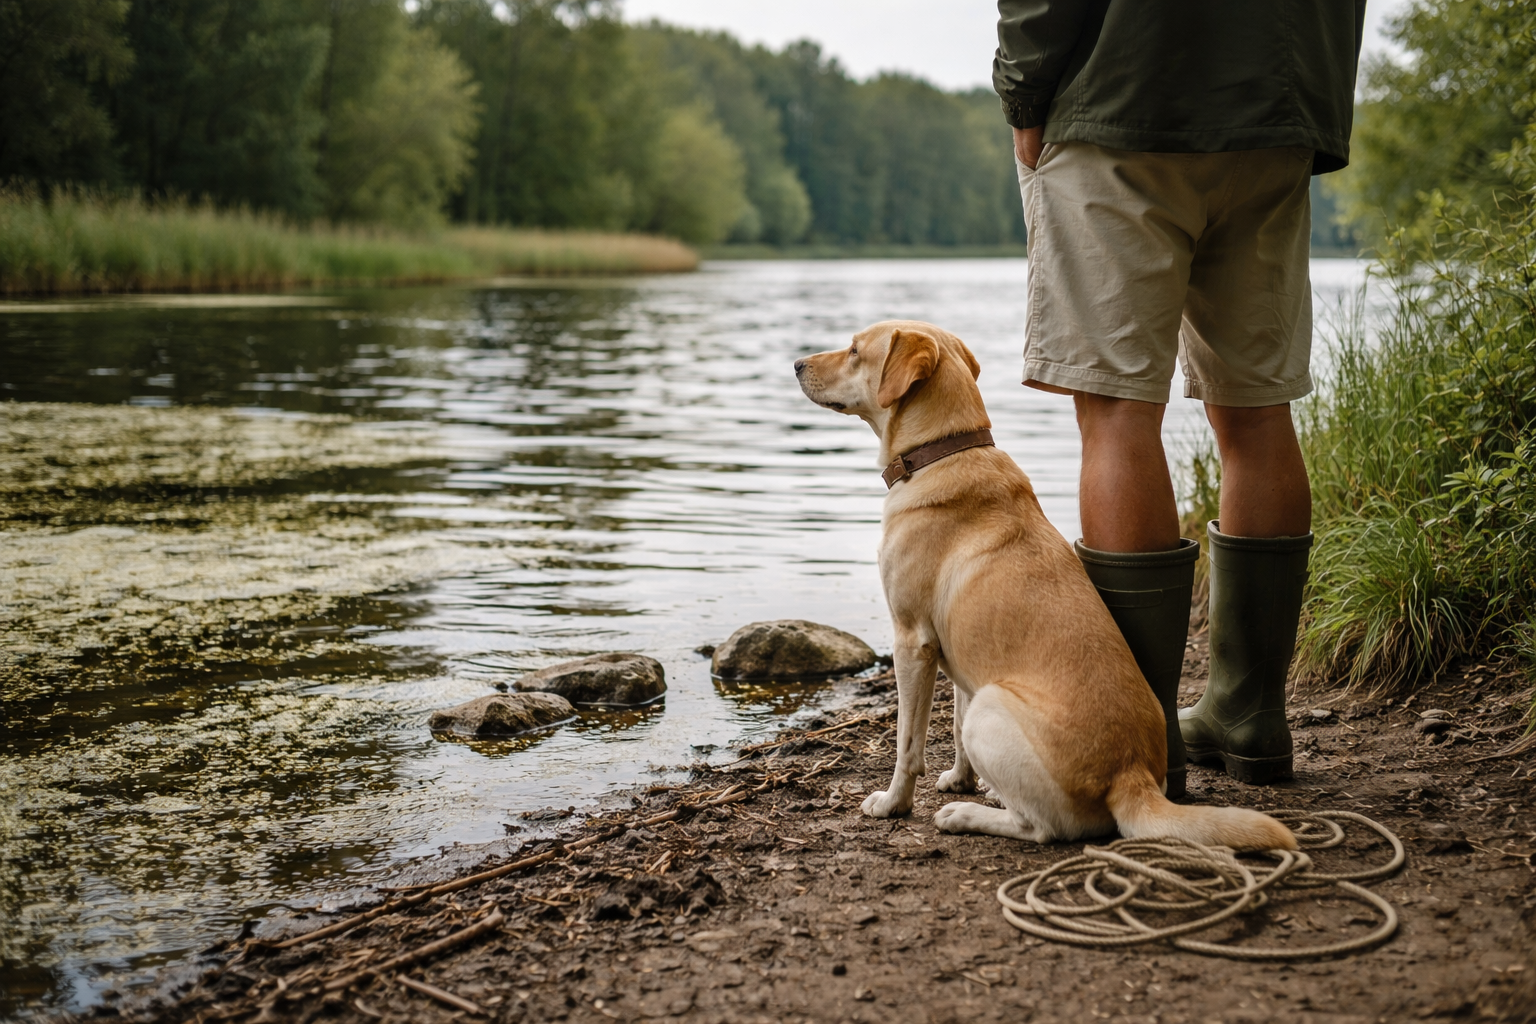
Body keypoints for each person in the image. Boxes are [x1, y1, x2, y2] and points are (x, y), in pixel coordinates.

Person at [993, 0, 1368, 797]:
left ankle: (1143, 741)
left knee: (1118, 412)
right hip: (1279, 108)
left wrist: (1024, 97)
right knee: (1258, 412)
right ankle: (1250, 714)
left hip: (1125, 101)